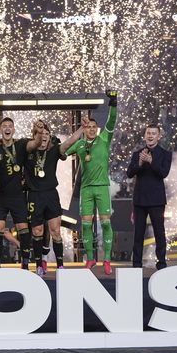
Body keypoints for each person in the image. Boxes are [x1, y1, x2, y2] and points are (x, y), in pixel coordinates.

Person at [65, 90, 118, 274]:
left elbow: (112, 120)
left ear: (97, 129)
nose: (92, 129)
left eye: (94, 127)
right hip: (86, 189)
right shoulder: (80, 145)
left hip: (102, 188)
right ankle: (90, 259)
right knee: (86, 225)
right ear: (85, 129)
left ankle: (107, 260)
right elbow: (64, 151)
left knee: (106, 223)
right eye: (88, 127)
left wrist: (113, 102)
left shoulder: (104, 139)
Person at [24, 121, 85, 276]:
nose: (44, 136)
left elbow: (69, 142)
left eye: (47, 134)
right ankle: (39, 265)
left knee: (55, 231)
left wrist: (81, 129)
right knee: (37, 231)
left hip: (51, 195)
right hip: (34, 195)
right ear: (34, 136)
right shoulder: (28, 151)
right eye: (41, 133)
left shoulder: (53, 151)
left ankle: (60, 266)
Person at [0, 118, 42, 269]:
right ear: (0, 130)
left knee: (23, 227)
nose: (7, 128)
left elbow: (35, 144)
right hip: (0, 195)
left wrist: (39, 132)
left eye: (10, 126)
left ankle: (25, 263)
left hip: (17, 195)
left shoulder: (21, 144)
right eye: (4, 126)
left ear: (14, 129)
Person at [126, 124, 172, 269]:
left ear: (159, 136)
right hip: (140, 200)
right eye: (148, 133)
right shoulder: (137, 154)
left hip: (157, 200)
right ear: (144, 135)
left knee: (159, 233)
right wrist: (140, 163)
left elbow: (163, 173)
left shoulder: (165, 154)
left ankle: (161, 263)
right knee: (138, 234)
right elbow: (129, 173)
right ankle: (136, 265)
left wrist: (151, 161)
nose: (150, 136)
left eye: (153, 133)